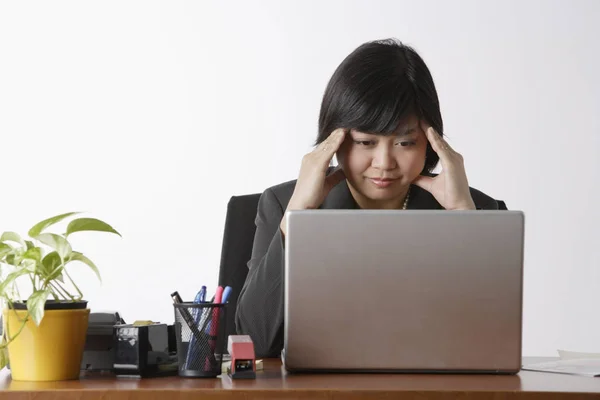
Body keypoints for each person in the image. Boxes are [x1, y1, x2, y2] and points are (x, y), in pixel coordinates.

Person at [235, 38, 501, 358]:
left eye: (404, 143)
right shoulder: (283, 205)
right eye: (365, 142)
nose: (384, 162)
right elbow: (253, 343)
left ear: (431, 143)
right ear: (334, 140)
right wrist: (299, 214)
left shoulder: (482, 212)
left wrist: (463, 217)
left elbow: (492, 345)